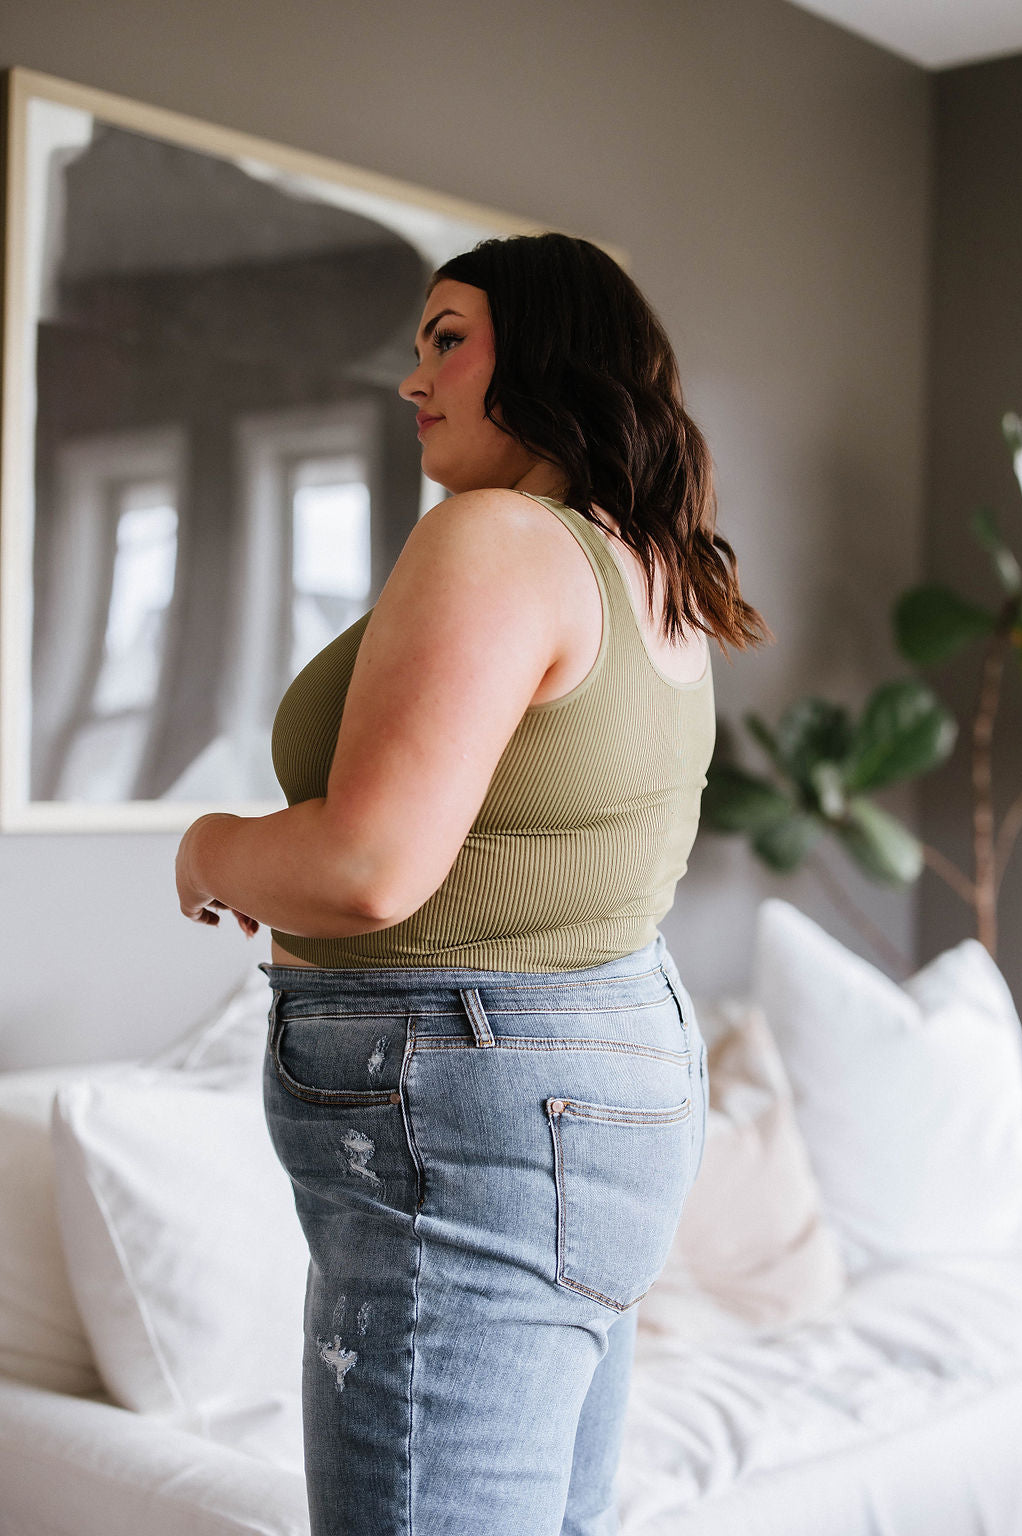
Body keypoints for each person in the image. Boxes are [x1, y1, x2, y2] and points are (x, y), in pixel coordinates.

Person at [175, 231, 771, 1536]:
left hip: (465, 1093)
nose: (413, 379)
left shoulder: (493, 539)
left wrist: (210, 848)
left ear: (550, 353)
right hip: (598, 1068)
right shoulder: (651, 565)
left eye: (448, 340)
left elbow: (369, 868)